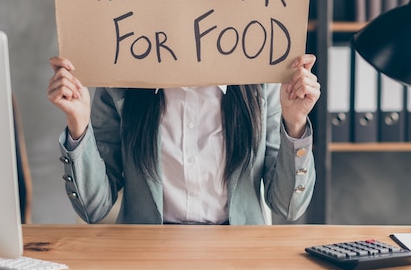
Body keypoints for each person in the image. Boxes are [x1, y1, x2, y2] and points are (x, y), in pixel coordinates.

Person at [47, 54, 320, 225]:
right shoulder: (122, 83)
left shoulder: (262, 83)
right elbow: (94, 208)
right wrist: (79, 123)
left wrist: (295, 125)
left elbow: (288, 206)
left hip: (239, 257)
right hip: (145, 256)